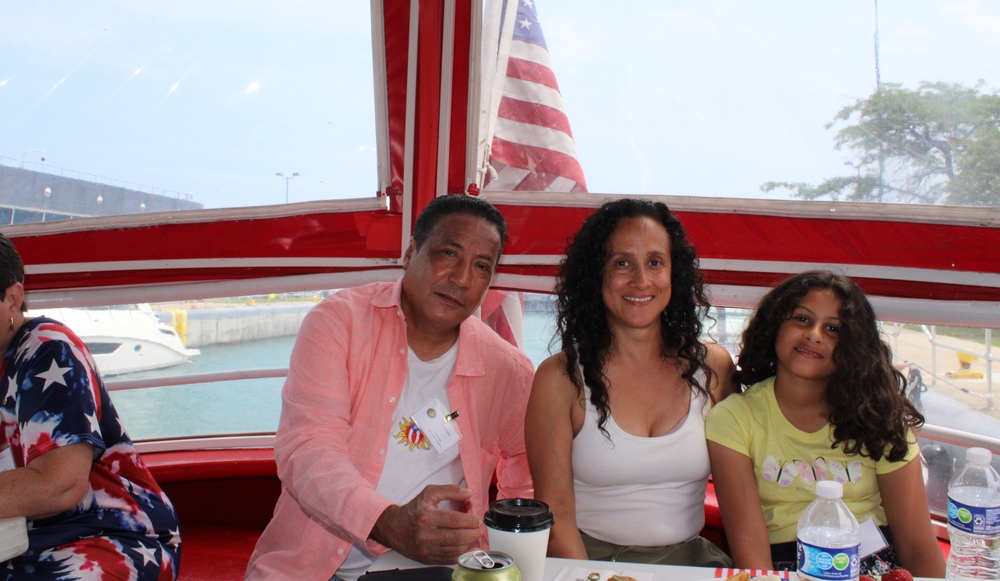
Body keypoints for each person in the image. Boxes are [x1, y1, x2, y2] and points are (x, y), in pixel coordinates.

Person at [245, 194, 534, 581]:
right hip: (312, 569)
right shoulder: (339, 323)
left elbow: (527, 476)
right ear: (410, 252)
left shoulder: (509, 370)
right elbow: (308, 449)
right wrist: (389, 523)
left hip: (440, 571)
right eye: (449, 254)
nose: (462, 279)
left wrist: (503, 555)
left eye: (481, 266)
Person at [525, 198, 736, 565]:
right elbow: (555, 518)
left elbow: (742, 496)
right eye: (622, 263)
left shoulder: (714, 368)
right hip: (587, 563)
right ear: (597, 275)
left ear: (675, 274)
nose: (641, 280)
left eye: (655, 262)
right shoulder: (559, 379)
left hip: (693, 563)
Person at [705, 270, 946, 578]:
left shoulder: (880, 418)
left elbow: (918, 548)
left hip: (875, 566)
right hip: (784, 569)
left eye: (833, 328)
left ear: (853, 346)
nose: (815, 334)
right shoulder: (734, 418)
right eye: (802, 319)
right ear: (774, 326)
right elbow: (750, 549)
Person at [0, 233, 180, 580]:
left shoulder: (47, 351)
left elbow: (59, 484)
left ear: (12, 300)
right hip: (20, 534)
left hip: (109, 534)